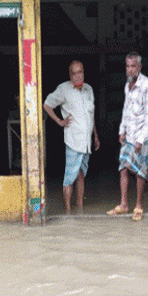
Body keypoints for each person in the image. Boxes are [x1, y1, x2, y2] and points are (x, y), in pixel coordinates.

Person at [43, 60, 100, 214]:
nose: (77, 75)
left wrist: (95, 135)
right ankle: (68, 211)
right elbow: (47, 105)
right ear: (70, 75)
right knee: (69, 177)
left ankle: (79, 208)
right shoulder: (63, 89)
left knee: (81, 174)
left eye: (80, 72)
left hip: (86, 142)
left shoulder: (89, 89)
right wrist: (59, 122)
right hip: (73, 141)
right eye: (73, 73)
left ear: (84, 72)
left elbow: (91, 115)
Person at [107, 51, 148, 221]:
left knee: (140, 172)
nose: (130, 69)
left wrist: (141, 140)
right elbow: (125, 110)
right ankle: (124, 204)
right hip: (129, 135)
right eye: (127, 66)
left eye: (133, 66)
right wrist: (122, 130)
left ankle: (139, 206)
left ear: (140, 67)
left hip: (141, 135)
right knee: (123, 168)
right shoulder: (127, 86)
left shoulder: (147, 86)